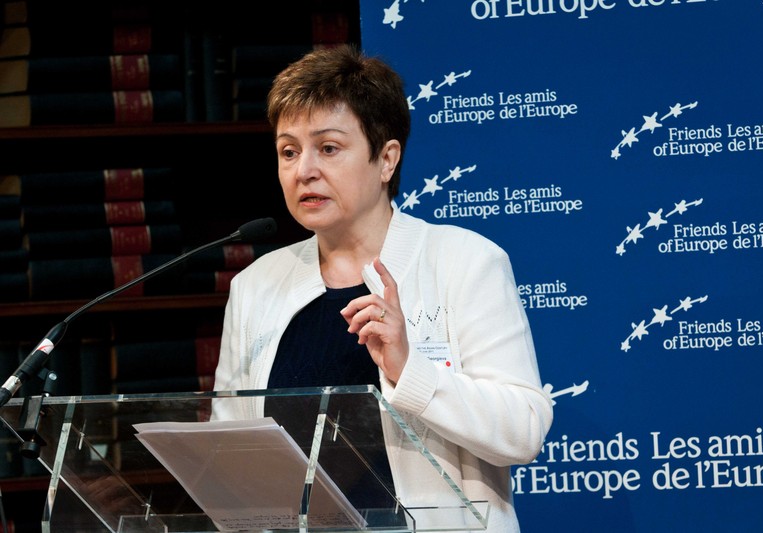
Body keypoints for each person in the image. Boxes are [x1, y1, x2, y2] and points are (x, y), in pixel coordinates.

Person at [211, 44, 553, 532]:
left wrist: (409, 368)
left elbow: (524, 429)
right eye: (289, 151)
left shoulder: (464, 261)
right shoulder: (255, 286)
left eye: (328, 148)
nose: (303, 169)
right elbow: (229, 450)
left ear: (386, 158)